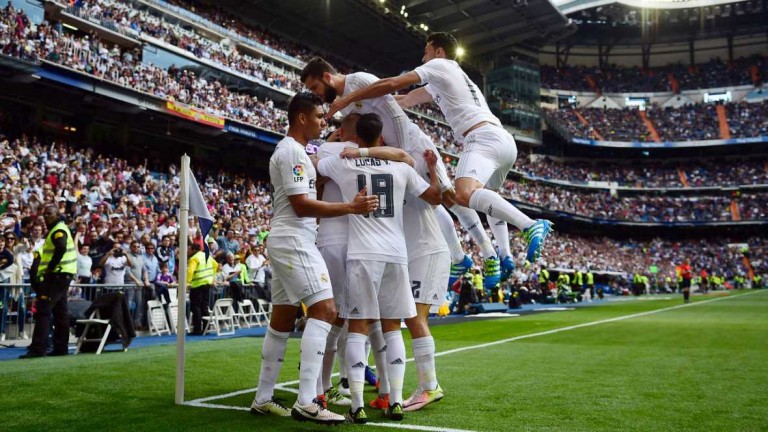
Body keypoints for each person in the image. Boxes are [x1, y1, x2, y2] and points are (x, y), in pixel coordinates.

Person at [326, 32, 552, 266]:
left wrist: (347, 99)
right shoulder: (448, 79)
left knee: (464, 194)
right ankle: (505, 255)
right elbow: (400, 100)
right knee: (487, 199)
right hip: (502, 141)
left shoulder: (439, 65)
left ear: (439, 52)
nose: (423, 59)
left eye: (426, 52)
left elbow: (391, 84)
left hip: (481, 137)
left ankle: (531, 225)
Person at [301, 57, 503, 289]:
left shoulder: (359, 80)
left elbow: (388, 99)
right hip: (394, 154)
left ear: (327, 77)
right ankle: (459, 258)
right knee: (427, 203)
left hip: (413, 146)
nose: (316, 94)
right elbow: (381, 110)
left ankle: (489, 254)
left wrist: (402, 148)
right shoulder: (346, 103)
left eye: (314, 87)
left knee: (450, 197)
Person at [249, 92, 378, 425]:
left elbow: (308, 189)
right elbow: (302, 205)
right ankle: (308, 400)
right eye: (320, 116)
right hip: (295, 238)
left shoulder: (296, 152)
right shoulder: (292, 152)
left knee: (282, 318)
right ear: (302, 118)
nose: (325, 121)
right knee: (326, 309)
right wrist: (350, 207)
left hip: (286, 237)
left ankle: (263, 398)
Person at [316, 113, 442, 423]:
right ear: (381, 138)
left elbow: (318, 161)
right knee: (392, 327)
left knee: (357, 328)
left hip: (362, 254)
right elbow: (436, 197)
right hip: (396, 255)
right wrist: (435, 171)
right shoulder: (400, 167)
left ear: (355, 137)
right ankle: (395, 400)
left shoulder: (343, 162)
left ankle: (356, 405)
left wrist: (338, 142)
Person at [20, 205, 77, 358]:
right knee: (61, 312)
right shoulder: (55, 229)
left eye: (49, 213)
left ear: (58, 214)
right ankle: (60, 348)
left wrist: (51, 267)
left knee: (44, 310)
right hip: (62, 275)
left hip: (57, 275)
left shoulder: (59, 230)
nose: (46, 216)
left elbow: (61, 247)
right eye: (44, 214)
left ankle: (38, 349)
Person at [186, 243, 218, 335]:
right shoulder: (207, 255)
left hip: (197, 285)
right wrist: (212, 277)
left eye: (189, 249)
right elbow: (215, 265)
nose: (188, 251)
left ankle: (197, 329)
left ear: (193, 250)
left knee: (196, 307)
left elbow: (190, 271)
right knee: (204, 306)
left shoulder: (194, 258)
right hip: (207, 284)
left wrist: (187, 282)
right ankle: (206, 328)